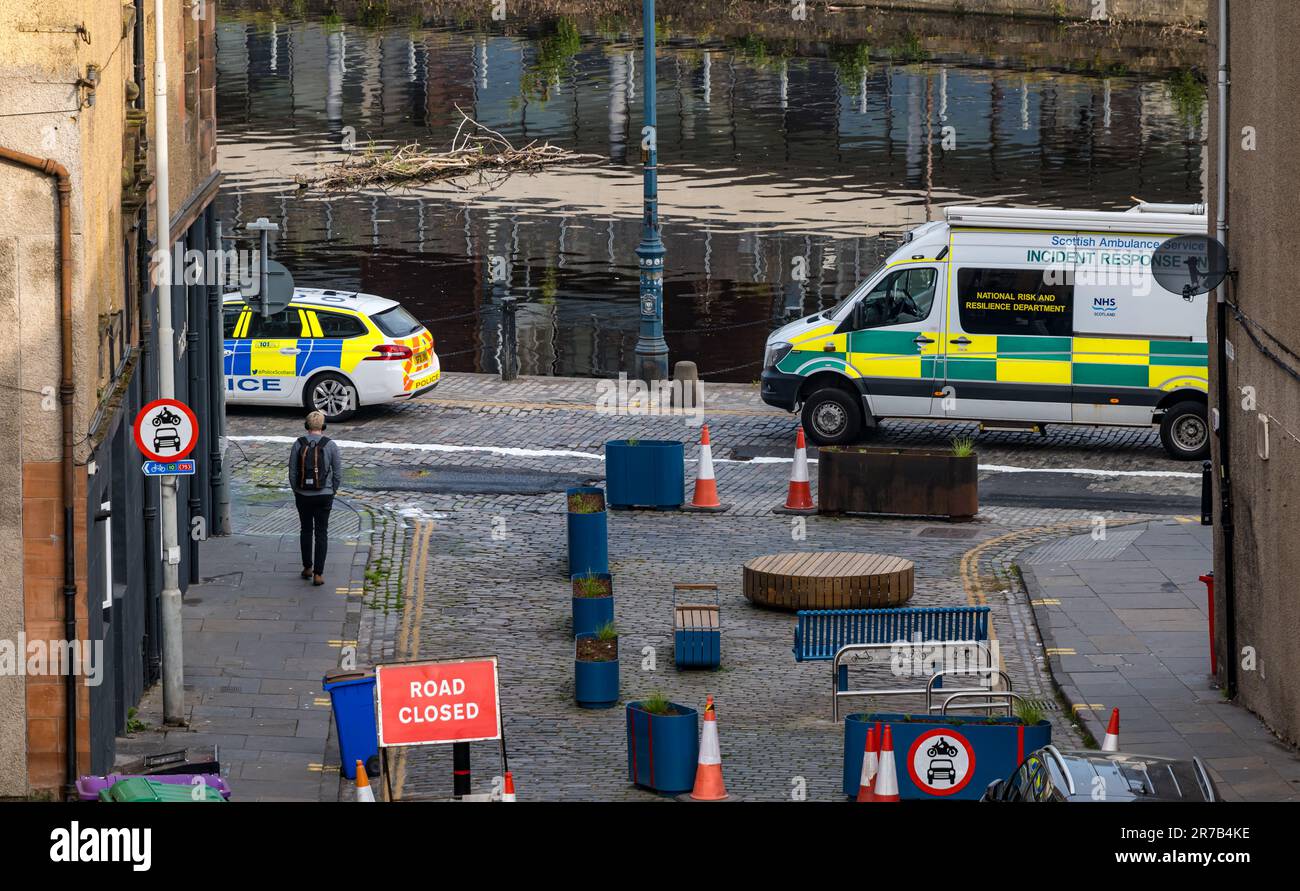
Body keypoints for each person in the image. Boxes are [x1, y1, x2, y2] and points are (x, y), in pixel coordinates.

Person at [289, 411, 343, 586]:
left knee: (305, 530)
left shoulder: (298, 444)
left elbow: (292, 472)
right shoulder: (331, 445)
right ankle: (318, 574)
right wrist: (332, 491)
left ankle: (307, 567)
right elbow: (338, 473)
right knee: (322, 532)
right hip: (324, 495)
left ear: (307, 426)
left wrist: (297, 490)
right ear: (323, 426)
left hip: (303, 495)